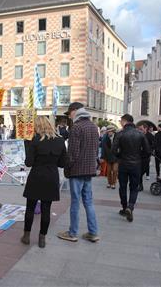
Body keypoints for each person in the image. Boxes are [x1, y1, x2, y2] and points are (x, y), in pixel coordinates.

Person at [21, 116, 67, 248]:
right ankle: (42, 238)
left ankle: (26, 236)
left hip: (36, 176)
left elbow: (28, 163)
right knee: (46, 209)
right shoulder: (60, 140)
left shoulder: (35, 140)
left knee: (30, 207)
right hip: (51, 177)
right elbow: (63, 163)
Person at [57, 102, 100, 243]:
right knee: (88, 201)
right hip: (89, 169)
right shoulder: (94, 127)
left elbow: (73, 153)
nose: (69, 116)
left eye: (69, 113)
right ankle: (93, 232)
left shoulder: (77, 127)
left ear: (75, 111)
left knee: (75, 202)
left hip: (77, 170)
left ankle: (73, 232)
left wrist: (67, 168)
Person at [112, 114, 150, 222]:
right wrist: (139, 156)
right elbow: (147, 151)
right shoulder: (140, 134)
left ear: (125, 121)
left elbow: (113, 151)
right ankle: (130, 206)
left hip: (123, 163)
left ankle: (124, 208)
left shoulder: (120, 134)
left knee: (122, 187)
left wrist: (120, 156)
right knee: (134, 187)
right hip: (136, 164)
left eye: (121, 121)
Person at [137, 123, 153, 190]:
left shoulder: (150, 136)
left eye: (141, 129)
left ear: (145, 128)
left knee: (141, 172)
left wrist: (149, 150)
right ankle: (140, 185)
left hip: (146, 157)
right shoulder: (138, 135)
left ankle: (140, 185)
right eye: (139, 129)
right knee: (138, 172)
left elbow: (153, 145)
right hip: (138, 156)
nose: (140, 130)